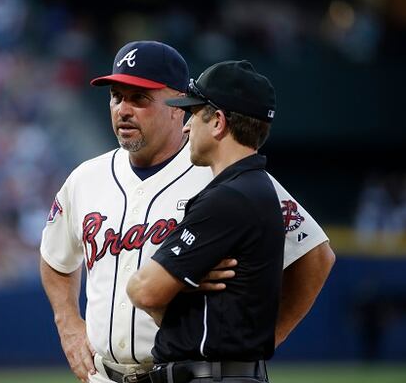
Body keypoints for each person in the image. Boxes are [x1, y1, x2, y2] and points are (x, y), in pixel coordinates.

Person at [39, 41, 335, 383]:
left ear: (179, 106)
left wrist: (262, 339)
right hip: (102, 375)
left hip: (185, 373)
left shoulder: (226, 175)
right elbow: (54, 257)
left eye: (140, 98)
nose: (123, 109)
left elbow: (315, 254)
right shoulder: (85, 178)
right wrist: (68, 323)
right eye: (116, 96)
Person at [127, 60, 287, 383]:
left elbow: (143, 289)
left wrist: (179, 285)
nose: (186, 126)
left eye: (194, 114)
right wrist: (187, 283)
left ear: (217, 122)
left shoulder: (230, 197)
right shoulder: (255, 187)